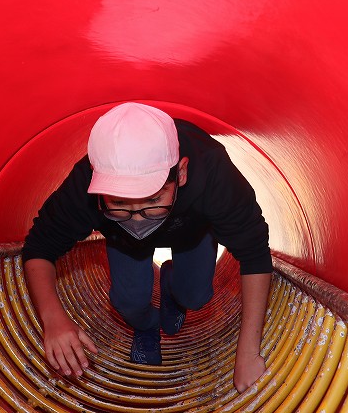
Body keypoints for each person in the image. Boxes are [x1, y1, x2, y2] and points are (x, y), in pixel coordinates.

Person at [22, 102, 270, 393]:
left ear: (181, 173)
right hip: (124, 241)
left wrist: (248, 352)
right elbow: (40, 246)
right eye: (118, 202)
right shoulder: (84, 183)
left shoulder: (211, 169)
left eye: (153, 200)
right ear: (97, 182)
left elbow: (254, 251)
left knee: (195, 297)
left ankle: (172, 283)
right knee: (128, 303)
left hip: (191, 233)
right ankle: (147, 326)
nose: (137, 218)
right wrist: (53, 319)